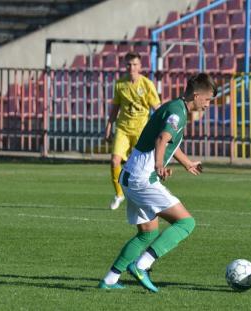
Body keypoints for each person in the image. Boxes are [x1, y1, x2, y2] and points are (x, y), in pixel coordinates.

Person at [98, 73, 217, 292]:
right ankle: (142, 265)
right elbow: (162, 139)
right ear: (197, 95)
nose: (209, 104)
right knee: (186, 223)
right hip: (142, 179)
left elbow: (170, 141)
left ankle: (110, 279)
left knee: (148, 233)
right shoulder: (177, 113)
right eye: (208, 100)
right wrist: (159, 165)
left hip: (130, 176)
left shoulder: (176, 107)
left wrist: (187, 163)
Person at [104, 52, 160, 210]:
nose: (132, 67)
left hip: (141, 130)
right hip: (123, 128)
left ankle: (145, 195)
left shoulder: (147, 84)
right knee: (115, 160)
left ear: (140, 66)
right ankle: (119, 194)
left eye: (135, 64)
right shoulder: (120, 84)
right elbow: (115, 109)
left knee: (141, 166)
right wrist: (108, 127)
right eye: (129, 64)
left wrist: (162, 126)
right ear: (125, 65)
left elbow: (157, 107)